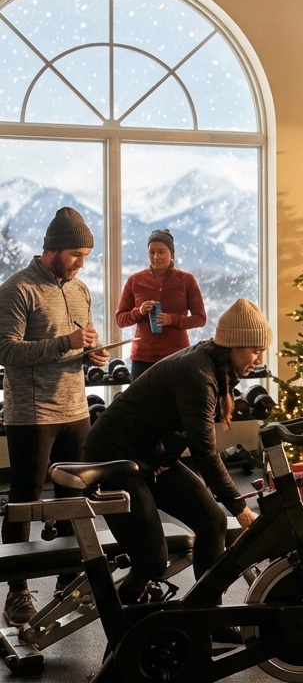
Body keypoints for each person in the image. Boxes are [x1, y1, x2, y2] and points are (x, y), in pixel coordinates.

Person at [81, 298, 268, 606]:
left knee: (212, 522)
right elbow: (204, 450)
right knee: (152, 560)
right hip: (112, 461)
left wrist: (227, 503)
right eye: (255, 350)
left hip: (151, 459)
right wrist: (240, 507)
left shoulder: (212, 365)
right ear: (234, 345)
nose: (258, 359)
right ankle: (122, 622)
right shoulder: (199, 374)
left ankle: (207, 617)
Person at [0, 207, 110, 627]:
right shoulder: (16, 290)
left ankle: (69, 582)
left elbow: (76, 346)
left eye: (85, 255)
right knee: (25, 501)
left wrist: (91, 354)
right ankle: (17, 592)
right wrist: (66, 341)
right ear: (53, 249)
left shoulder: (80, 290)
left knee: (74, 499)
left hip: (76, 408)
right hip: (31, 413)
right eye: (76, 254)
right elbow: (6, 352)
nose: (82, 263)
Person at [114, 229, 208, 380]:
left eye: (161, 252)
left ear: (172, 254)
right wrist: (139, 311)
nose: (156, 257)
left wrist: (172, 319)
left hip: (178, 356)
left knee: (175, 403)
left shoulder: (186, 280)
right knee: (141, 403)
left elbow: (200, 319)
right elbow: (120, 319)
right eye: (152, 252)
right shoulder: (135, 280)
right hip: (142, 357)